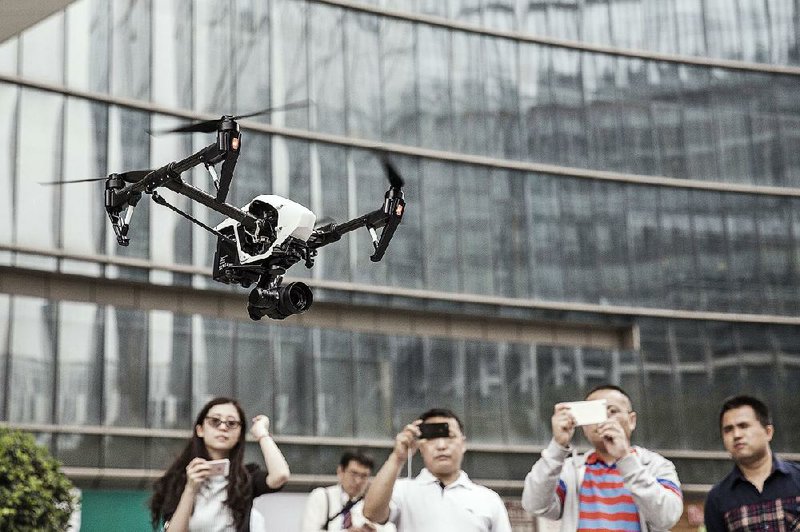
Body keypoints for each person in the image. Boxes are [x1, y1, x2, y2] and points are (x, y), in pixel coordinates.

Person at [521, 384, 683, 531]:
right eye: (594, 413)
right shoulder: (569, 470)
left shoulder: (657, 466)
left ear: (632, 420)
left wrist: (625, 458)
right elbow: (534, 506)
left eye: (613, 411)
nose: (603, 419)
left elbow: (667, 518)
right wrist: (557, 447)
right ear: (582, 425)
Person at [150, 397, 291, 531]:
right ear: (200, 430)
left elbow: (280, 475)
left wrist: (262, 433)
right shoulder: (179, 478)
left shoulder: (245, 477)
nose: (223, 427)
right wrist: (190, 488)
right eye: (215, 421)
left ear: (239, 433)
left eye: (231, 423)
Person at [362, 407, 512, 532]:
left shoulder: (488, 499)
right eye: (432, 438)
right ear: (420, 446)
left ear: (463, 443)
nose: (441, 446)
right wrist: (397, 457)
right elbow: (371, 513)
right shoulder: (403, 491)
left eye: (450, 436)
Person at [704, 395, 800, 531]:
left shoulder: (797, 480)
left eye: (744, 426)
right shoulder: (718, 499)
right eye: (728, 429)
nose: (736, 434)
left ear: (768, 432)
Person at [301, 449, 390, 531]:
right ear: (340, 471)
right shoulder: (322, 497)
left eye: (364, 476)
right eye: (353, 474)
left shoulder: (373, 504)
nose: (358, 481)